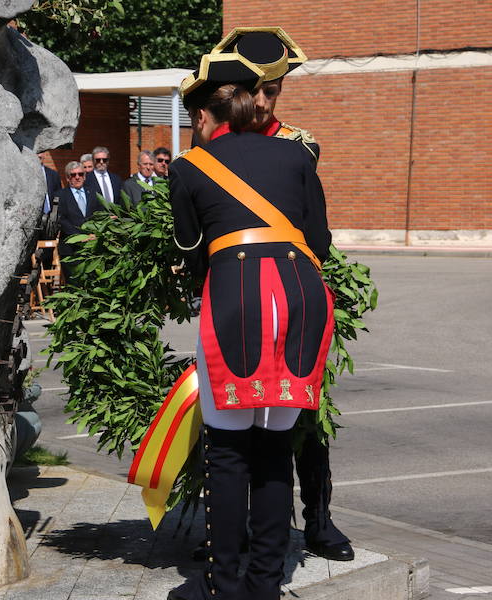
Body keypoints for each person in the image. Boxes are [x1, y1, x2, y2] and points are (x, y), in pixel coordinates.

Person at [167, 49, 334, 600]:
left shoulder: (190, 166)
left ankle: (225, 583)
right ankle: (266, 584)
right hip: (301, 301)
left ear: (205, 116)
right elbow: (321, 243)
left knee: (229, 450)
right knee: (275, 444)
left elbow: (191, 252)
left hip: (234, 302)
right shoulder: (296, 157)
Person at [212, 27, 353, 562]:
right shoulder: (213, 139)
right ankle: (227, 531)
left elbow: (312, 223)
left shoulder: (298, 143)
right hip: (238, 292)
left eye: (273, 91)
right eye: (257, 90)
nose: (266, 100)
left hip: (296, 291)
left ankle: (317, 519)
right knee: (227, 412)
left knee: (305, 414)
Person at [57, 161, 99, 283]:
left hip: (92, 246)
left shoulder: (93, 193)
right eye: (73, 175)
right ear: (67, 177)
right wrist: (80, 237)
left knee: (92, 283)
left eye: (80, 174)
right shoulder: (60, 195)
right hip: (70, 249)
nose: (77, 177)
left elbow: (99, 213)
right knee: (74, 284)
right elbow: (62, 219)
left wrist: (95, 233)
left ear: (85, 176)